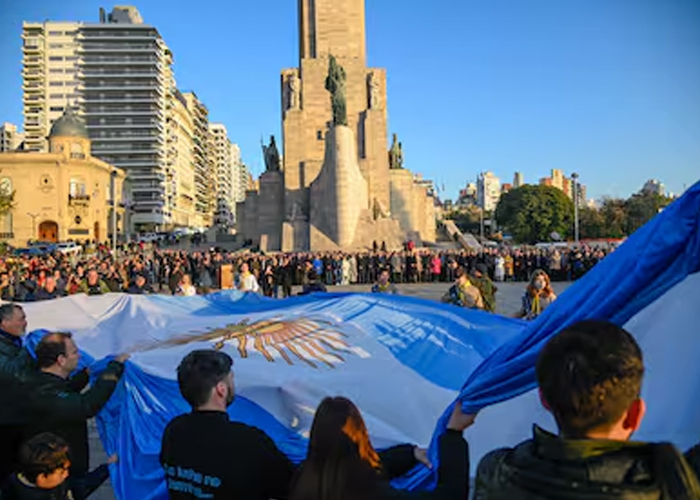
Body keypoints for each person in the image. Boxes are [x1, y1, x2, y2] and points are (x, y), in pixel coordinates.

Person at [474, 320, 700, 499]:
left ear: (544, 399)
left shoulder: (498, 472)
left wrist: (452, 437)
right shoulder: (672, 482)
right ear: (635, 415)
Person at [160, 350, 294, 500]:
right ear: (221, 389)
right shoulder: (249, 441)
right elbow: (292, 485)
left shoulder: (173, 431)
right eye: (231, 379)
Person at [290, 396, 472, 500]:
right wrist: (453, 435)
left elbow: (366, 467)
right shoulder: (374, 495)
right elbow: (450, 496)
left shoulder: (303, 480)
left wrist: (410, 454)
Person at [23, 332, 127, 491]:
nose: (79, 356)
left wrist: (86, 374)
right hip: (58, 475)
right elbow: (87, 405)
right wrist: (115, 367)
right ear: (61, 360)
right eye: (74, 352)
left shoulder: (39, 382)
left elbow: (66, 390)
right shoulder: (48, 395)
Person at [1, 432, 117, 500]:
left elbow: (82, 487)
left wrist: (107, 467)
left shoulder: (57, 483)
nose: (66, 474)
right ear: (41, 477)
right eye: (62, 471)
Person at [0, 304, 32, 484]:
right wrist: (26, 350)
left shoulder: (15, 342)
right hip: (5, 420)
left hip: (20, 415)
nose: (25, 322)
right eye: (21, 318)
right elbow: (10, 373)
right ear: (5, 323)